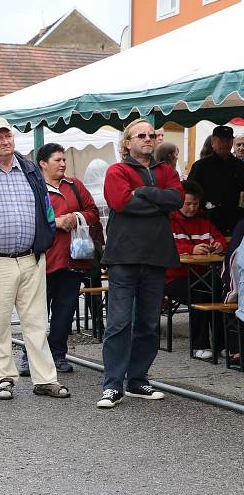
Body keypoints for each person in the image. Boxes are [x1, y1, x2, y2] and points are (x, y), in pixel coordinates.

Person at [0, 117, 68, 401]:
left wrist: (45, 241)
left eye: (9, 136)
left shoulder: (30, 169)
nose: (6, 141)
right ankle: (3, 379)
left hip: (31, 258)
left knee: (37, 323)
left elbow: (46, 209)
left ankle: (45, 379)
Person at [97, 118, 184, 409]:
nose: (147, 139)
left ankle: (137, 380)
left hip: (157, 256)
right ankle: (112, 385)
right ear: (128, 143)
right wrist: (159, 203)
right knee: (119, 323)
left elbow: (177, 199)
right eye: (141, 135)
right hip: (124, 257)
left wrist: (143, 192)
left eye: (151, 135)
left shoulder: (166, 170)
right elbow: (122, 203)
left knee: (148, 324)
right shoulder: (117, 170)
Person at [18, 143, 100, 375]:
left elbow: (93, 212)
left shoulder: (75, 186)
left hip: (73, 260)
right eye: (57, 160)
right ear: (43, 163)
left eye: (64, 160)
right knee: (36, 313)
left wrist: (75, 216)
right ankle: (29, 357)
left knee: (65, 312)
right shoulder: (32, 188)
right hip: (41, 261)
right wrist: (56, 222)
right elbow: (25, 219)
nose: (63, 163)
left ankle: (57, 355)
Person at [164, 181, 226, 360]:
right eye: (187, 203)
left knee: (221, 291)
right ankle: (199, 345)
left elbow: (220, 240)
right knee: (199, 293)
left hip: (202, 275)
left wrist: (217, 246)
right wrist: (191, 249)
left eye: (196, 203)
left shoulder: (205, 223)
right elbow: (166, 246)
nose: (192, 208)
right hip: (173, 278)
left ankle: (223, 344)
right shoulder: (169, 222)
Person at [188, 125, 244, 235]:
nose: (225, 144)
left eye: (228, 140)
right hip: (208, 220)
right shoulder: (201, 166)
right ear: (213, 142)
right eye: (221, 140)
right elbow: (190, 192)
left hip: (234, 220)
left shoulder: (240, 166)